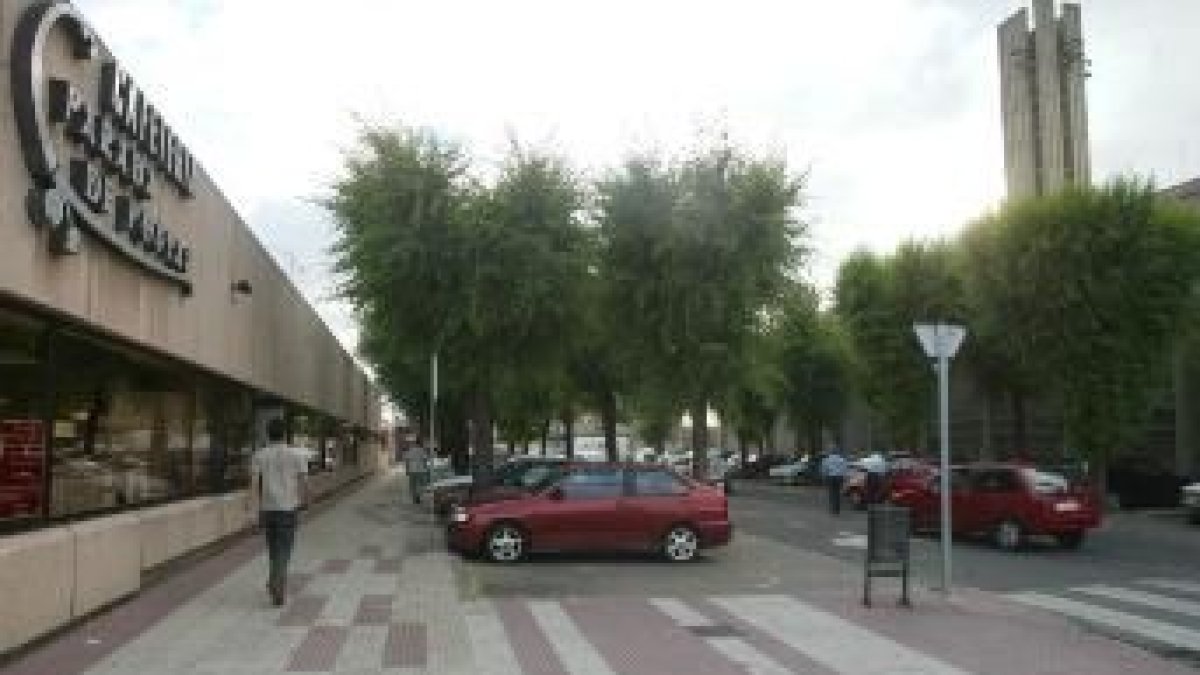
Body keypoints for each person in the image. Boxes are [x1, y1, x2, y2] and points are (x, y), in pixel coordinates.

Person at [251, 418, 309, 606]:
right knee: (285, 548)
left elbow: (253, 484)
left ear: (268, 434)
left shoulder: (259, 455)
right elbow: (303, 481)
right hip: (288, 509)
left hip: (268, 509)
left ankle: (274, 579)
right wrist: (307, 500)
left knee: (273, 547)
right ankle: (278, 583)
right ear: (284, 434)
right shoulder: (297, 455)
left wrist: (251, 505)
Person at [820, 445, 848, 515]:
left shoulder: (827, 460)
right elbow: (844, 469)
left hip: (831, 477)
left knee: (831, 492)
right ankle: (837, 509)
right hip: (839, 477)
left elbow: (824, 469)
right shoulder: (842, 459)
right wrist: (844, 477)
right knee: (837, 492)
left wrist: (824, 477)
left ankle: (832, 508)